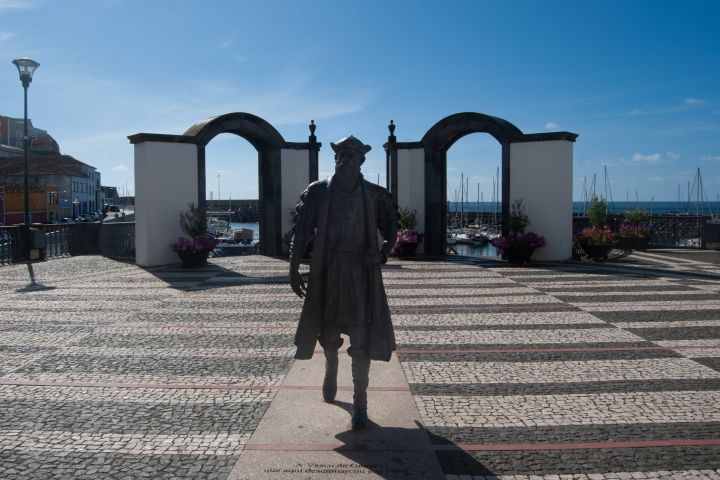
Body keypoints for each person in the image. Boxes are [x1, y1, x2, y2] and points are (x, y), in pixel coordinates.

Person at [289, 135, 399, 430]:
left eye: (352, 156)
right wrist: (293, 267)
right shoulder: (318, 193)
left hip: (361, 274)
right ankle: (330, 366)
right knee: (329, 332)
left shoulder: (375, 195)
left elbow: (393, 229)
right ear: (334, 159)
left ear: (362, 160)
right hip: (329, 270)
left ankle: (360, 403)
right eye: (341, 156)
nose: (345, 160)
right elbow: (300, 231)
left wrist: (383, 253)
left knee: (361, 339)